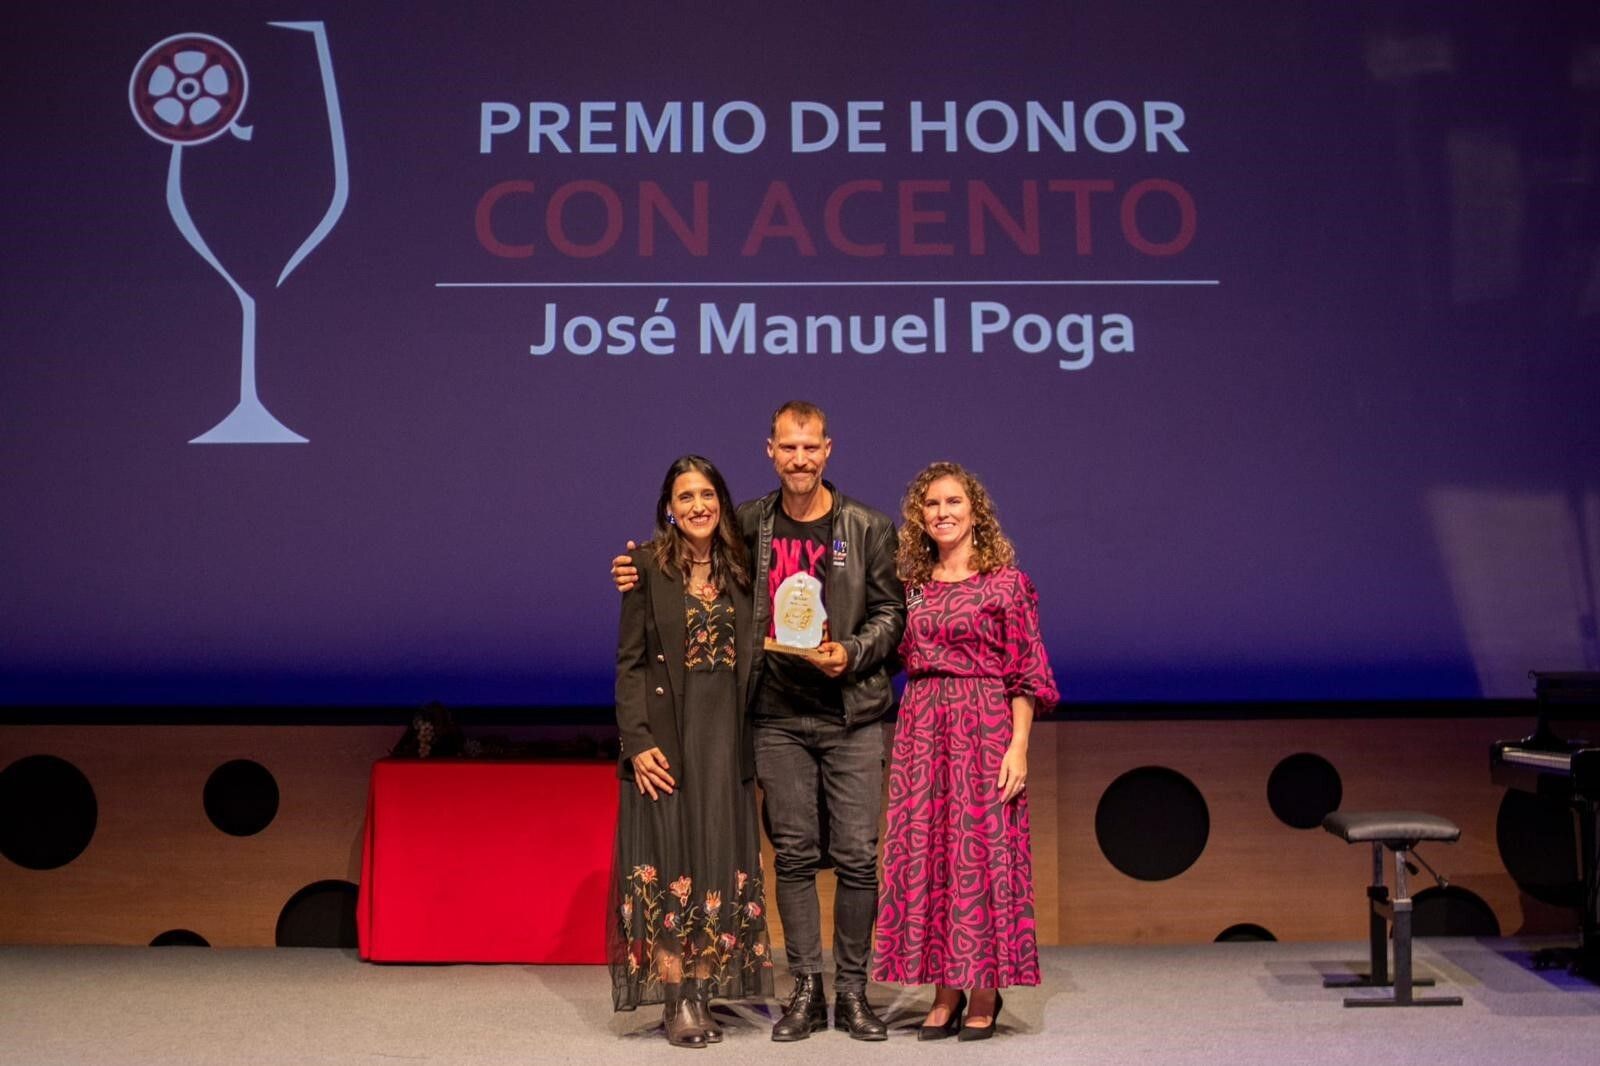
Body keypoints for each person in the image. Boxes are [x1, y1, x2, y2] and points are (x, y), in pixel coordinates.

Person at [614, 402, 904, 1041]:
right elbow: (674, 570)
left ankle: (852, 993)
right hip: (773, 718)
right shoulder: (749, 524)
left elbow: (891, 615)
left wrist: (850, 653)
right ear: (769, 451)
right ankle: (804, 988)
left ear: (828, 449)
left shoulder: (869, 527)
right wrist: (634, 565)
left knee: (857, 856)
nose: (799, 459)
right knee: (794, 856)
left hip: (850, 713)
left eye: (810, 447)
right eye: (787, 448)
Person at [871, 461, 1058, 1041]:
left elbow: (1025, 673)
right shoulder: (914, 586)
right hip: (923, 726)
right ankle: (942, 989)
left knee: (981, 858)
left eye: (953, 502)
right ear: (919, 518)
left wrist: (1019, 747)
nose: (943, 513)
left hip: (984, 727)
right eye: (931, 505)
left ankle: (983, 989)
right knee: (927, 854)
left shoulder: (1006, 583)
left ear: (974, 510)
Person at [609, 455, 775, 1047]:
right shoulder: (646, 568)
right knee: (669, 856)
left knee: (715, 861)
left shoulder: (743, 569)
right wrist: (637, 743)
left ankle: (702, 992)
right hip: (667, 739)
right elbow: (629, 665)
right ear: (669, 510)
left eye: (707, 494)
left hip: (727, 737)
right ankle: (676, 998)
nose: (698, 506)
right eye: (685, 497)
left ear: (722, 504)